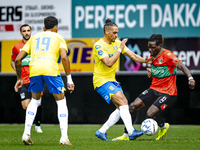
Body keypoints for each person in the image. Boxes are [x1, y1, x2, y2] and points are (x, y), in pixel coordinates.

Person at [112, 34, 196, 141]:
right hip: (154, 89)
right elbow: (160, 68)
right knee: (132, 106)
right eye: (149, 47)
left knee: (150, 114)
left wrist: (190, 78)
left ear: (160, 46)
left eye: (153, 47)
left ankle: (163, 127)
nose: (150, 50)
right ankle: (127, 135)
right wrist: (152, 71)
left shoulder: (168, 55)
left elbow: (182, 66)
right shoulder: (153, 55)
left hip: (168, 92)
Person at [14, 16, 75, 146]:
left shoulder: (34, 37)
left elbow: (18, 59)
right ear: (56, 28)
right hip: (50, 69)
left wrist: (19, 78)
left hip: (34, 70)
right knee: (61, 101)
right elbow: (64, 57)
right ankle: (64, 137)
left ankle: (26, 134)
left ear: (43, 28)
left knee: (35, 100)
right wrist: (69, 79)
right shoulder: (59, 37)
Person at [93, 19, 152, 141]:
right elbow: (109, 63)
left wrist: (146, 61)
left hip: (111, 80)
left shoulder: (117, 43)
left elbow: (134, 56)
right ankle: (131, 132)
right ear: (106, 32)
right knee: (124, 101)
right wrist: (120, 49)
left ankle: (101, 131)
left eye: (117, 33)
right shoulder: (99, 45)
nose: (116, 35)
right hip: (101, 81)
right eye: (114, 33)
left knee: (121, 108)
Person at [11, 24, 43, 133]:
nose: (26, 33)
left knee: (38, 103)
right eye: (24, 31)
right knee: (25, 106)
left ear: (31, 31)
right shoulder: (16, 47)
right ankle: (29, 125)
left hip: (35, 77)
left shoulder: (36, 45)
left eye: (28, 30)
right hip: (23, 79)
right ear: (21, 33)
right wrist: (17, 71)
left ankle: (37, 126)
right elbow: (13, 60)